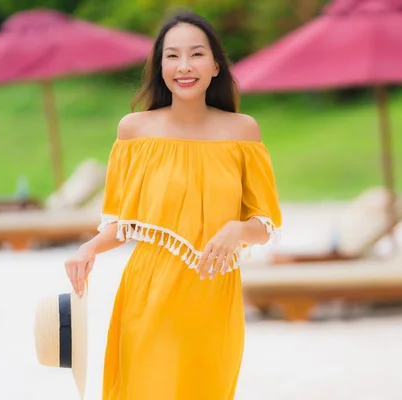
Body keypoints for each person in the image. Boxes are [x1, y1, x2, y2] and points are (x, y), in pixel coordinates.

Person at [63, 9, 282, 400]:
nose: (185, 66)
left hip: (214, 295)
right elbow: (125, 223)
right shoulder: (134, 132)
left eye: (197, 54)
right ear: (159, 66)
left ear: (216, 65)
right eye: (172, 55)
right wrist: (89, 247)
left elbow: (265, 225)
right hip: (148, 294)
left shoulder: (243, 132)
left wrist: (236, 230)